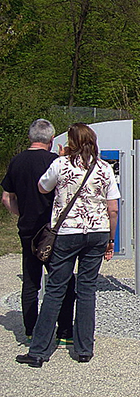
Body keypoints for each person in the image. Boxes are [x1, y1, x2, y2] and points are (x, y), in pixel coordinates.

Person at [16, 123, 119, 367]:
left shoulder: (60, 164)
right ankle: (84, 348)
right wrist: (110, 239)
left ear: (70, 142)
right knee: (87, 290)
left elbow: (42, 187)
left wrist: (62, 159)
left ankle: (39, 351)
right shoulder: (104, 168)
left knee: (55, 289)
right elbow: (113, 208)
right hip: (97, 232)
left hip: (67, 232)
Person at [1, 119, 75, 347]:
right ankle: (64, 331)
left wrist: (21, 214)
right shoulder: (56, 162)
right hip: (53, 231)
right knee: (63, 280)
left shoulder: (17, 161)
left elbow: (6, 197)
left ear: (30, 138)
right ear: (52, 140)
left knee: (31, 281)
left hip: (27, 229)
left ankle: (31, 330)